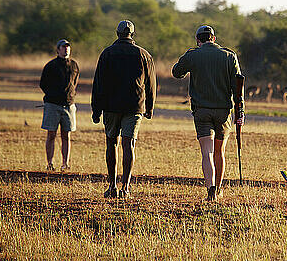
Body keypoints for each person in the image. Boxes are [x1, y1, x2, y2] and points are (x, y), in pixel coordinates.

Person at [172, 25, 244, 201]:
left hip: (201, 110)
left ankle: (210, 188)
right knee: (220, 151)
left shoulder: (193, 55)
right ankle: (218, 189)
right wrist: (240, 111)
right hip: (224, 112)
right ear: (213, 38)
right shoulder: (229, 56)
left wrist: (191, 58)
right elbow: (238, 86)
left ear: (198, 39)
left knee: (207, 151)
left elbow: (176, 72)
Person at [91, 20, 156, 199]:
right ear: (132, 34)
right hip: (134, 106)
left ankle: (112, 185)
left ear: (117, 33)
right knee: (129, 144)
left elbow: (98, 84)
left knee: (111, 143)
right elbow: (151, 84)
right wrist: (149, 107)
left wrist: (96, 110)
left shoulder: (107, 53)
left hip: (111, 106)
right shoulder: (144, 55)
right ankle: (125, 188)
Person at [39, 39, 80, 172]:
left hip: (69, 105)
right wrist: (52, 96)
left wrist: (70, 96)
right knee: (51, 134)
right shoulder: (51, 65)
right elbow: (43, 84)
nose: (66, 49)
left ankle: (65, 164)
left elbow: (75, 83)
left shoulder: (74, 65)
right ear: (58, 50)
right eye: (63, 47)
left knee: (66, 135)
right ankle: (49, 163)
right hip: (52, 105)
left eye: (68, 47)